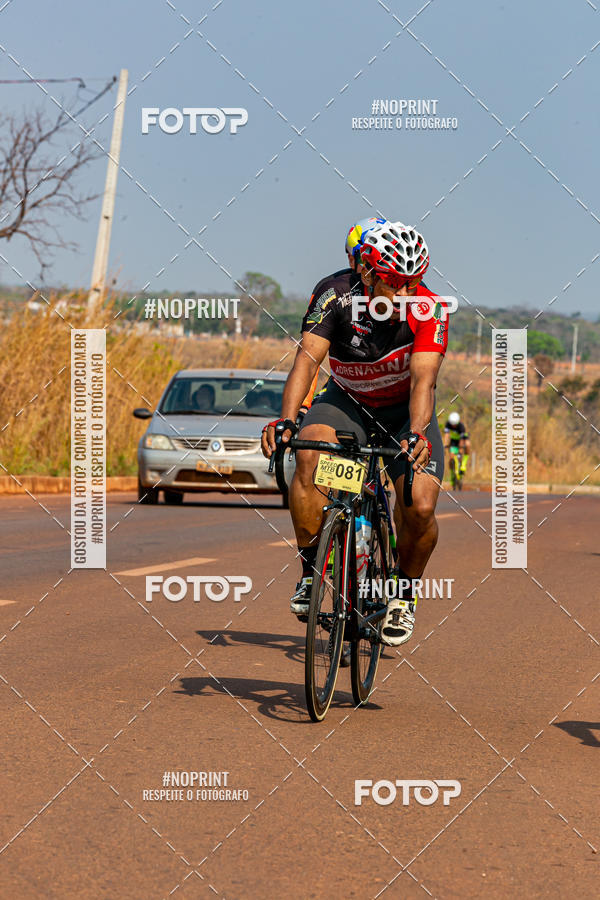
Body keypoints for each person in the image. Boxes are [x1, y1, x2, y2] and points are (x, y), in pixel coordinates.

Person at [262, 221, 449, 646]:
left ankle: (402, 594)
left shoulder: (430, 308)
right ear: (367, 272)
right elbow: (307, 361)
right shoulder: (335, 294)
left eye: (413, 283)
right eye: (396, 284)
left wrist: (417, 432)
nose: (405, 296)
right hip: (347, 403)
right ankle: (312, 571)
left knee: (418, 508)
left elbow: (424, 381)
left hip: (404, 413)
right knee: (310, 458)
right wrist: (287, 420)